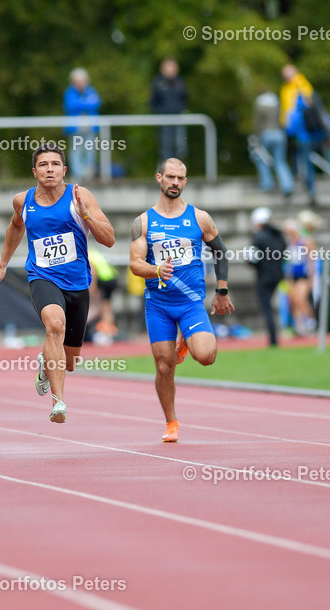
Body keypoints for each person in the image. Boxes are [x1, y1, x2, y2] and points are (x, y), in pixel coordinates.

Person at [0, 142, 115, 423]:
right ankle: (59, 403)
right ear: (35, 172)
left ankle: (46, 366)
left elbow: (109, 239)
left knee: (70, 362)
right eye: (43, 165)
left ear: (64, 170)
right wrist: (3, 264)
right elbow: (15, 227)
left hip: (78, 282)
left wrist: (86, 214)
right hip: (42, 277)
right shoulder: (23, 200)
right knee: (55, 324)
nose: (50, 169)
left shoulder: (80, 196)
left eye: (55, 164)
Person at [129, 158, 234, 443]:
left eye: (181, 178)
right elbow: (135, 264)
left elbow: (221, 251)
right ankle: (171, 421)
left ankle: (187, 339)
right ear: (159, 178)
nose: (175, 182)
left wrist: (221, 291)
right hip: (158, 305)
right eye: (171, 177)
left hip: (190, 303)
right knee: (164, 366)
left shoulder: (199, 218)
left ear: (185, 182)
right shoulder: (144, 221)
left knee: (207, 356)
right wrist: (155, 269)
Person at [248, 207, 287, 347]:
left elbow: (252, 259)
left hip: (264, 277)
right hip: (278, 275)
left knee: (267, 308)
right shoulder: (279, 236)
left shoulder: (258, 238)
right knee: (272, 306)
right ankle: (277, 335)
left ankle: (273, 339)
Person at [280, 64, 318, 205]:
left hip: (302, 132)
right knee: (299, 161)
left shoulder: (300, 84)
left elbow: (304, 107)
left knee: (306, 162)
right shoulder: (287, 88)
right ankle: (307, 190)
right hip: (294, 132)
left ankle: (310, 191)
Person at [251, 86, 294, 198]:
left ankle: (267, 184)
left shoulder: (259, 104)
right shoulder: (277, 102)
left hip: (266, 134)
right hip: (279, 134)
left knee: (262, 159)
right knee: (280, 161)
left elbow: (258, 123)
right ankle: (287, 185)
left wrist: (256, 136)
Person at [63, 68, 101, 180]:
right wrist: (86, 103)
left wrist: (81, 103)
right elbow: (71, 105)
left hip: (89, 127)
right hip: (75, 128)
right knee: (76, 150)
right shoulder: (70, 92)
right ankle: (77, 174)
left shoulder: (91, 90)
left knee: (90, 150)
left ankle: (89, 173)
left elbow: (96, 103)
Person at [150, 58, 188, 163]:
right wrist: (159, 113)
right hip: (164, 120)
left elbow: (185, 98)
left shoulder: (180, 82)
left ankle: (178, 170)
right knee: (166, 147)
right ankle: (165, 170)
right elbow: (153, 101)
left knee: (180, 147)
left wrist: (181, 110)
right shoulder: (158, 82)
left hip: (178, 118)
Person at [283, 216, 316, 335]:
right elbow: (289, 261)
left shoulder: (305, 241)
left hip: (304, 275)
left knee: (301, 299)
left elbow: (311, 260)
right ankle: (299, 326)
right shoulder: (290, 243)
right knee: (294, 301)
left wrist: (311, 277)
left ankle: (311, 323)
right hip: (293, 276)